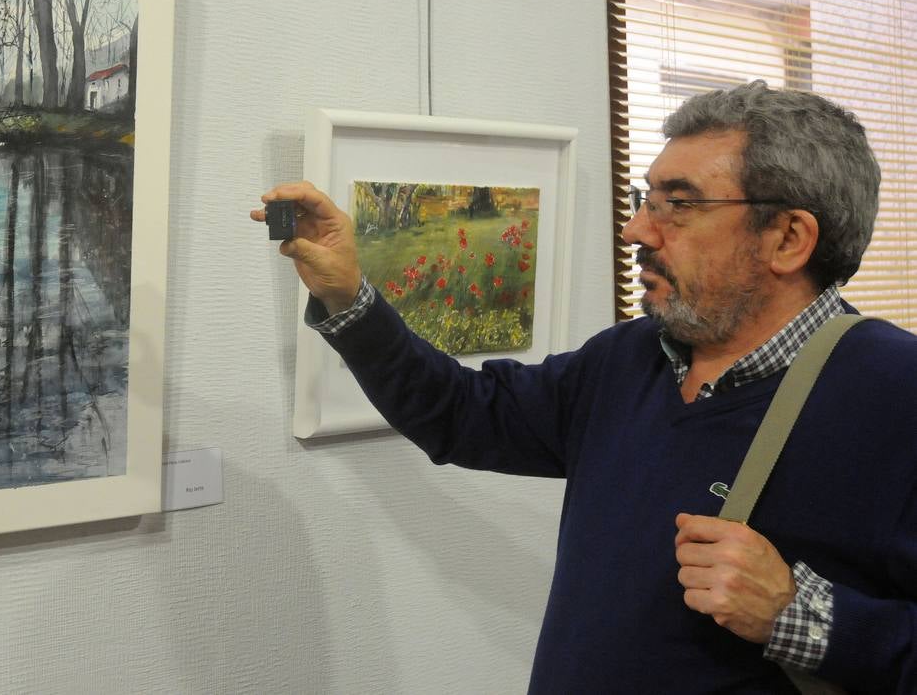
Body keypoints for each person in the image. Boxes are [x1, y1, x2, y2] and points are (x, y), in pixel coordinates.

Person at [253, 81, 917, 693]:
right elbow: (458, 413)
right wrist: (348, 295)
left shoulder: (895, 394)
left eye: (678, 206)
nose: (635, 231)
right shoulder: (626, 359)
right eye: (643, 201)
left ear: (787, 238)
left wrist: (797, 614)